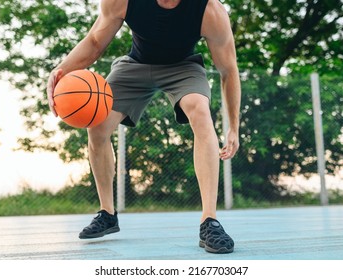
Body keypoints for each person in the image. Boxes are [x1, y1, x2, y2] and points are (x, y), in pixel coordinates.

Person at [47, 0, 241, 254]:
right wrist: (60, 70)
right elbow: (95, 42)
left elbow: (228, 70)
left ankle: (210, 221)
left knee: (201, 112)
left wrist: (234, 127)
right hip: (135, 65)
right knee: (97, 126)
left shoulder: (209, 10)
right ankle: (107, 213)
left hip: (183, 67)